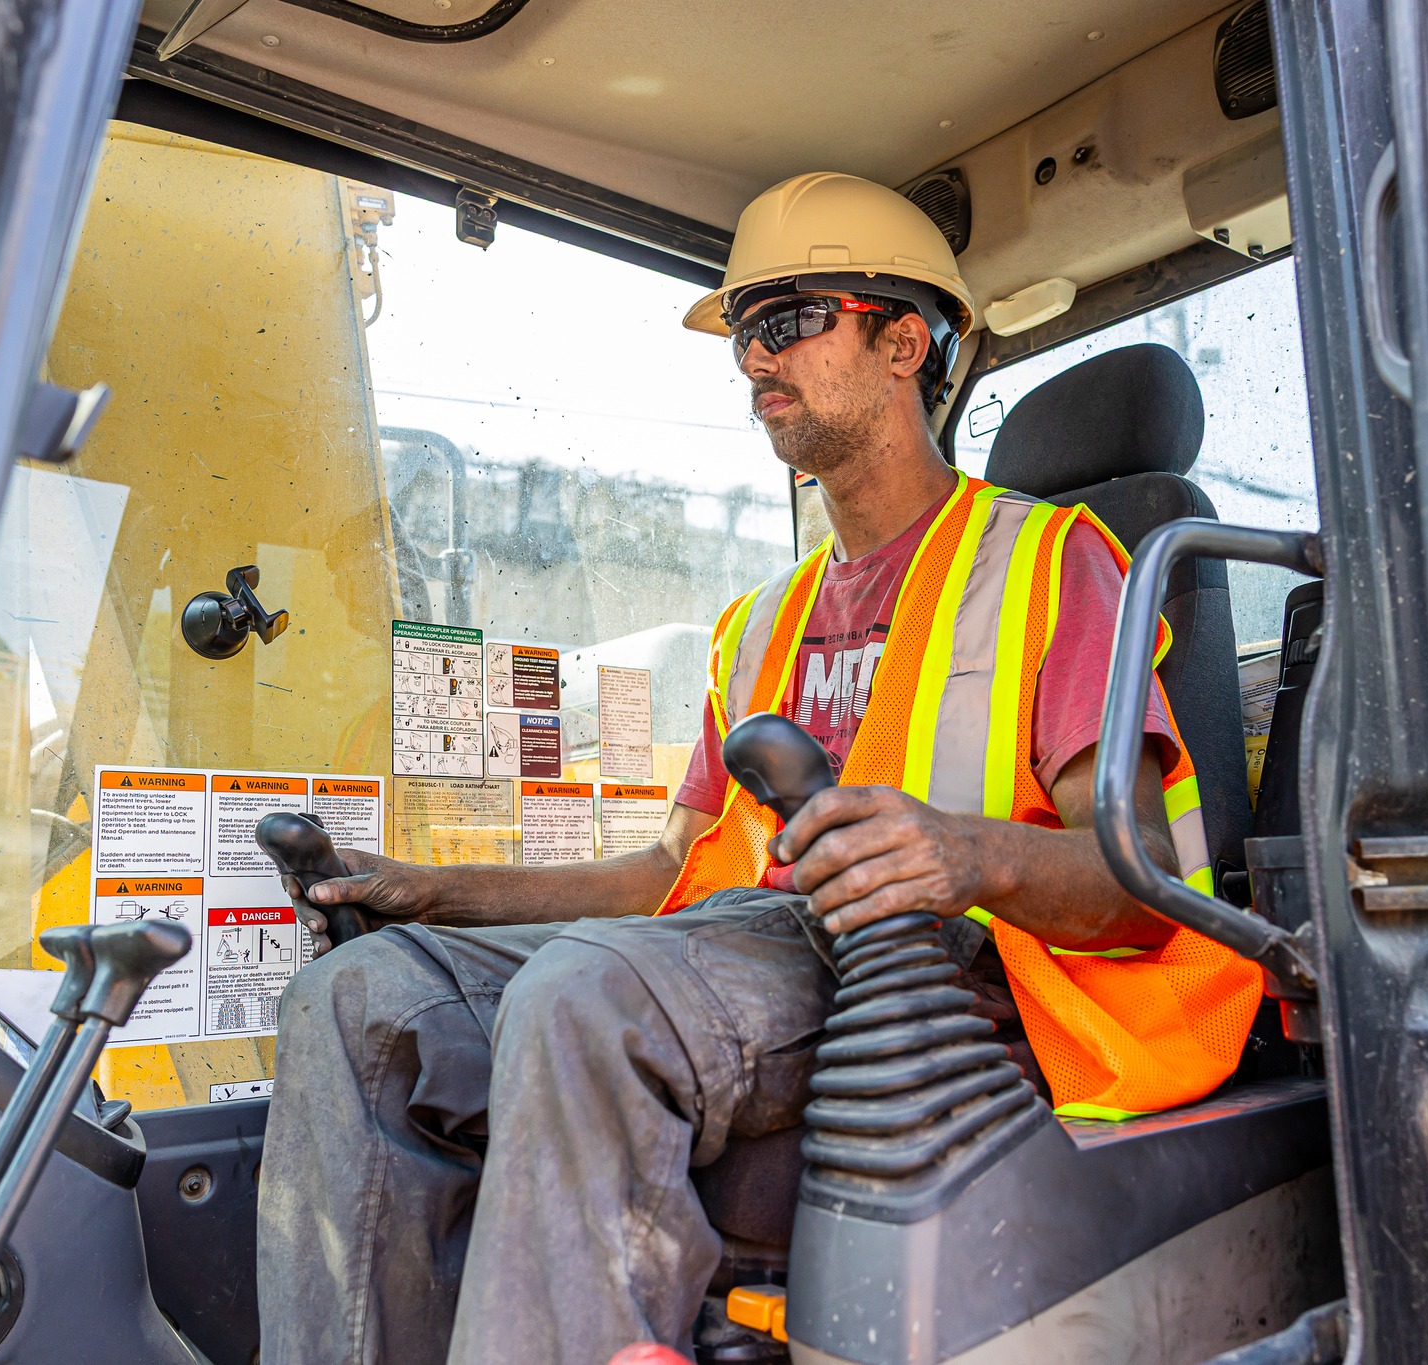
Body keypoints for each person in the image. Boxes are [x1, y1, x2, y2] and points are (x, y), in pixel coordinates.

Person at [255, 171, 1261, 1365]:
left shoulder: (1050, 562)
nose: (753, 361)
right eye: (741, 335)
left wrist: (959, 853)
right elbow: (665, 876)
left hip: (937, 965)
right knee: (359, 998)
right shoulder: (755, 625)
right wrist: (430, 892)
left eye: (786, 322)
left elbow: (1138, 880)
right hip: (736, 947)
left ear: (902, 343)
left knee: (585, 993)